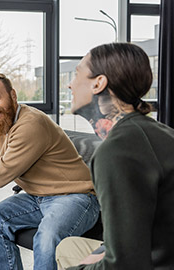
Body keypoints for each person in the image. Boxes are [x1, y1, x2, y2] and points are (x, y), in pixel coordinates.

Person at [0, 73, 99, 270]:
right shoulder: (1, 124)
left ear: (13, 95)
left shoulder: (30, 124)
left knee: (47, 236)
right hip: (38, 197)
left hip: (75, 197)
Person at [55, 43, 174, 269]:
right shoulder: (161, 133)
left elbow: (125, 263)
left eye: (78, 74)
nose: (70, 84)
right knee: (68, 246)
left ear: (99, 83)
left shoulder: (117, 151)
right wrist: (105, 249)